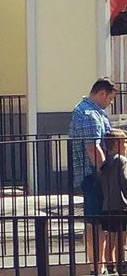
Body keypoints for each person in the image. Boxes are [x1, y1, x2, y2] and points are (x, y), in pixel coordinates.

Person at [72, 80, 117, 276]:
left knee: (95, 222)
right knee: (96, 223)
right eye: (110, 98)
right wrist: (106, 173)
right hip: (94, 176)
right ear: (102, 93)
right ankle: (97, 268)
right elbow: (93, 148)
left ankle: (98, 267)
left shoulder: (88, 111)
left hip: (92, 175)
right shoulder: (89, 115)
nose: (110, 103)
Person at [100, 129, 127, 276]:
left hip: (107, 205)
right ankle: (121, 263)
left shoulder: (105, 162)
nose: (126, 146)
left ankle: (110, 264)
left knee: (110, 235)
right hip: (121, 205)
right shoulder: (121, 160)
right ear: (117, 144)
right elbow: (124, 182)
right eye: (125, 142)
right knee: (121, 238)